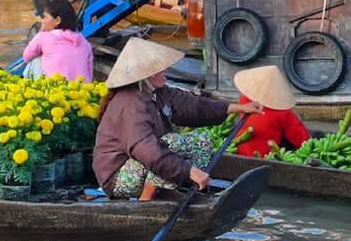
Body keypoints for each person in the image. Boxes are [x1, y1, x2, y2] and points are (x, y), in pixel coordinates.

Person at [92, 37, 262, 198]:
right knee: (170, 142)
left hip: (147, 162)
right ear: (148, 75)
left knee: (203, 141)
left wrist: (237, 107)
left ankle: (178, 191)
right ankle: (148, 200)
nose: (165, 72)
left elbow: (193, 106)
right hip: (118, 175)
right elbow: (147, 151)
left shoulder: (159, 93)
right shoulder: (129, 103)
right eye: (160, 69)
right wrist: (188, 171)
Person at [230, 66, 309, 158]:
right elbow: (302, 140)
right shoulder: (283, 112)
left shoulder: (243, 101)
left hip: (238, 153)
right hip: (266, 157)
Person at [21, 0, 92, 81]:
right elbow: (89, 73)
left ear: (57, 20)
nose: (42, 21)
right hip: (82, 91)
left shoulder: (44, 37)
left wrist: (41, 32)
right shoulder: (84, 42)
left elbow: (26, 57)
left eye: (45, 17)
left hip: (56, 90)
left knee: (34, 62)